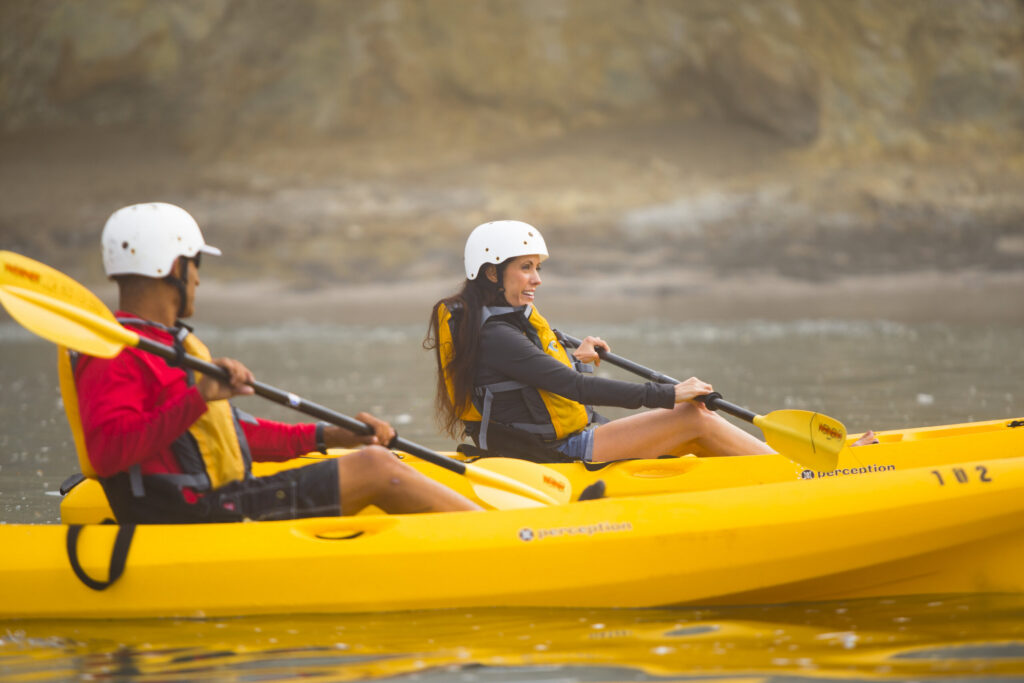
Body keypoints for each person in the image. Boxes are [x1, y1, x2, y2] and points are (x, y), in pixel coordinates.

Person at [60, 202, 480, 524]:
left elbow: (231, 435)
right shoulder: (114, 351)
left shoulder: (164, 345)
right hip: (192, 515)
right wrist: (198, 397)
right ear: (174, 267)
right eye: (195, 264)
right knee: (377, 468)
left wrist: (332, 435)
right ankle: (498, 537)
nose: (198, 279)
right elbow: (107, 454)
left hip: (216, 501)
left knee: (369, 458)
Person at [426, 220, 875, 465]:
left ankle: (777, 463)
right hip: (551, 453)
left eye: (537, 268)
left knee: (693, 424)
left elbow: (540, 381)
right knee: (692, 417)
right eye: (525, 268)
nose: (537, 279)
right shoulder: (495, 334)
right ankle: (803, 471)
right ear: (491, 272)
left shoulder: (504, 321)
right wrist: (668, 394)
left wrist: (578, 359)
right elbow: (573, 390)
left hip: (568, 436)